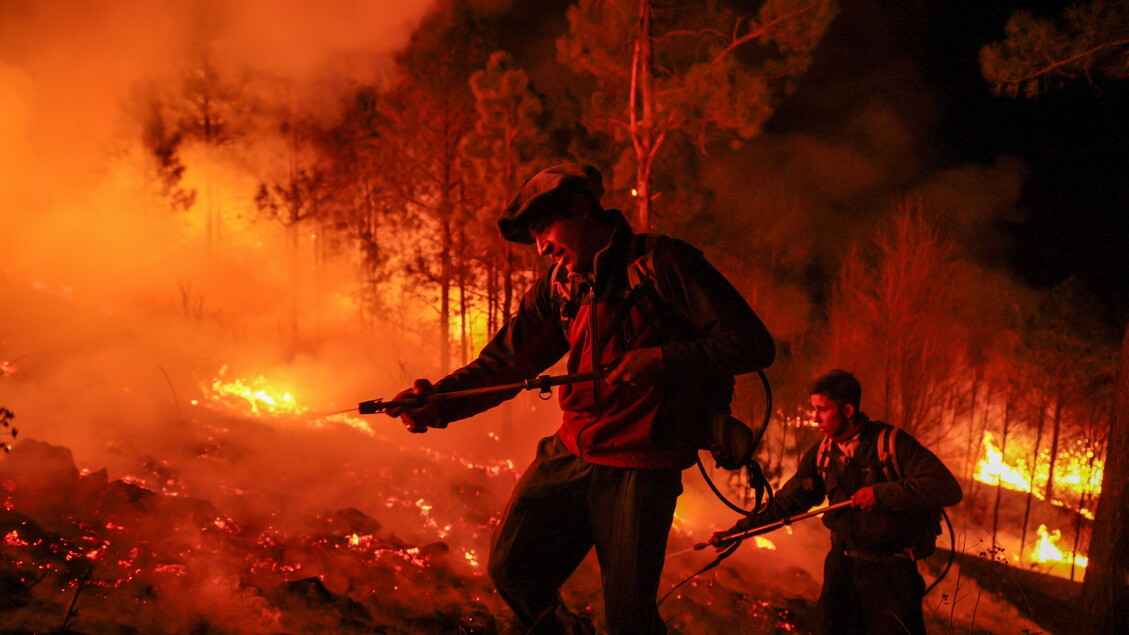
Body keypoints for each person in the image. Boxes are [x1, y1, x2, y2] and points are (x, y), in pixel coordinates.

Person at [386, 163, 775, 634]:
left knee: (629, 619)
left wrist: (662, 359)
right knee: (512, 569)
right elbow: (505, 366)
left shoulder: (661, 264)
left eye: (544, 228)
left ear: (580, 207)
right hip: (571, 452)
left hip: (640, 467)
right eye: (534, 237)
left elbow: (751, 343)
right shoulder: (559, 287)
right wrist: (438, 402)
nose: (542, 247)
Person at [713, 369, 962, 635]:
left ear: (848, 410)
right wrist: (737, 532)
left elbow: (946, 488)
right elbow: (786, 504)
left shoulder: (891, 444)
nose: (815, 417)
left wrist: (880, 494)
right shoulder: (822, 454)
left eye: (823, 409)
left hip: (891, 574)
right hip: (841, 570)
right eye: (814, 408)